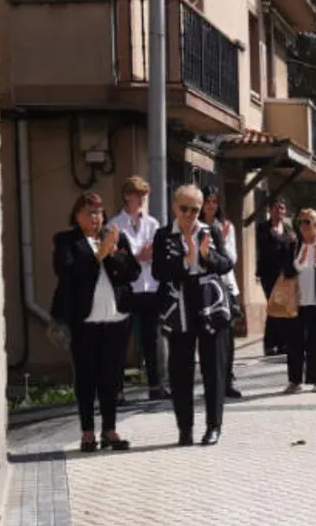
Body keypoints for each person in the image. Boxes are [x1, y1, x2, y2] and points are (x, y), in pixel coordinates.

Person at [52, 192, 140, 452]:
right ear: (77, 215)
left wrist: (113, 254)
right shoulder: (66, 241)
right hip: (85, 322)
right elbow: (67, 273)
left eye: (99, 212)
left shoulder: (115, 236)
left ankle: (110, 430)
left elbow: (132, 272)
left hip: (115, 319)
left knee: (111, 378)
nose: (96, 218)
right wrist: (100, 254)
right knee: (86, 377)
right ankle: (88, 432)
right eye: (90, 212)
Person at [153, 184, 235, 447]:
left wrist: (205, 255)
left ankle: (214, 426)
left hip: (210, 302)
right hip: (180, 305)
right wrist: (186, 260)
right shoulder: (163, 235)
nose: (190, 214)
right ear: (175, 207)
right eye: (185, 208)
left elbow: (226, 263)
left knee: (214, 367)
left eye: (195, 209)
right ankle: (184, 429)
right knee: (180, 371)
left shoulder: (210, 231)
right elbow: (159, 271)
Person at [106, 176, 165, 402]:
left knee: (152, 338)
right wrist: (138, 256)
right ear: (126, 196)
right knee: (121, 339)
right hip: (127, 288)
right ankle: (116, 390)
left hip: (150, 286)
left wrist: (137, 256)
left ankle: (156, 385)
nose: (141, 199)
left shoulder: (152, 224)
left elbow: (155, 252)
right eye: (137, 194)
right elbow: (117, 258)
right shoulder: (114, 225)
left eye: (144, 195)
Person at [282, 209, 316, 394]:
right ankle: (294, 380)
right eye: (301, 222)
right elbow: (287, 272)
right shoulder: (294, 247)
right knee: (295, 343)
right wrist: (299, 261)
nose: (304, 226)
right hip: (297, 303)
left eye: (308, 222)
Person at [200, 186, 243, 399]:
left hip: (226, 286)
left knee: (228, 336)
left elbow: (231, 259)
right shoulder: (196, 227)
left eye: (214, 201)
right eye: (207, 201)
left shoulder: (226, 227)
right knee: (206, 335)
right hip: (205, 287)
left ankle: (228, 378)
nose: (210, 205)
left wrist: (221, 242)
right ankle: (210, 380)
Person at [255, 198, 295, 356]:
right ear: (270, 210)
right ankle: (270, 343)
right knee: (273, 306)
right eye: (276, 208)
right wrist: (286, 239)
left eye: (282, 208)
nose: (279, 211)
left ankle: (282, 342)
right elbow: (266, 245)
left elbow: (292, 245)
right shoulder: (263, 227)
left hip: (284, 273)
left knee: (282, 308)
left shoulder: (287, 227)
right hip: (268, 273)